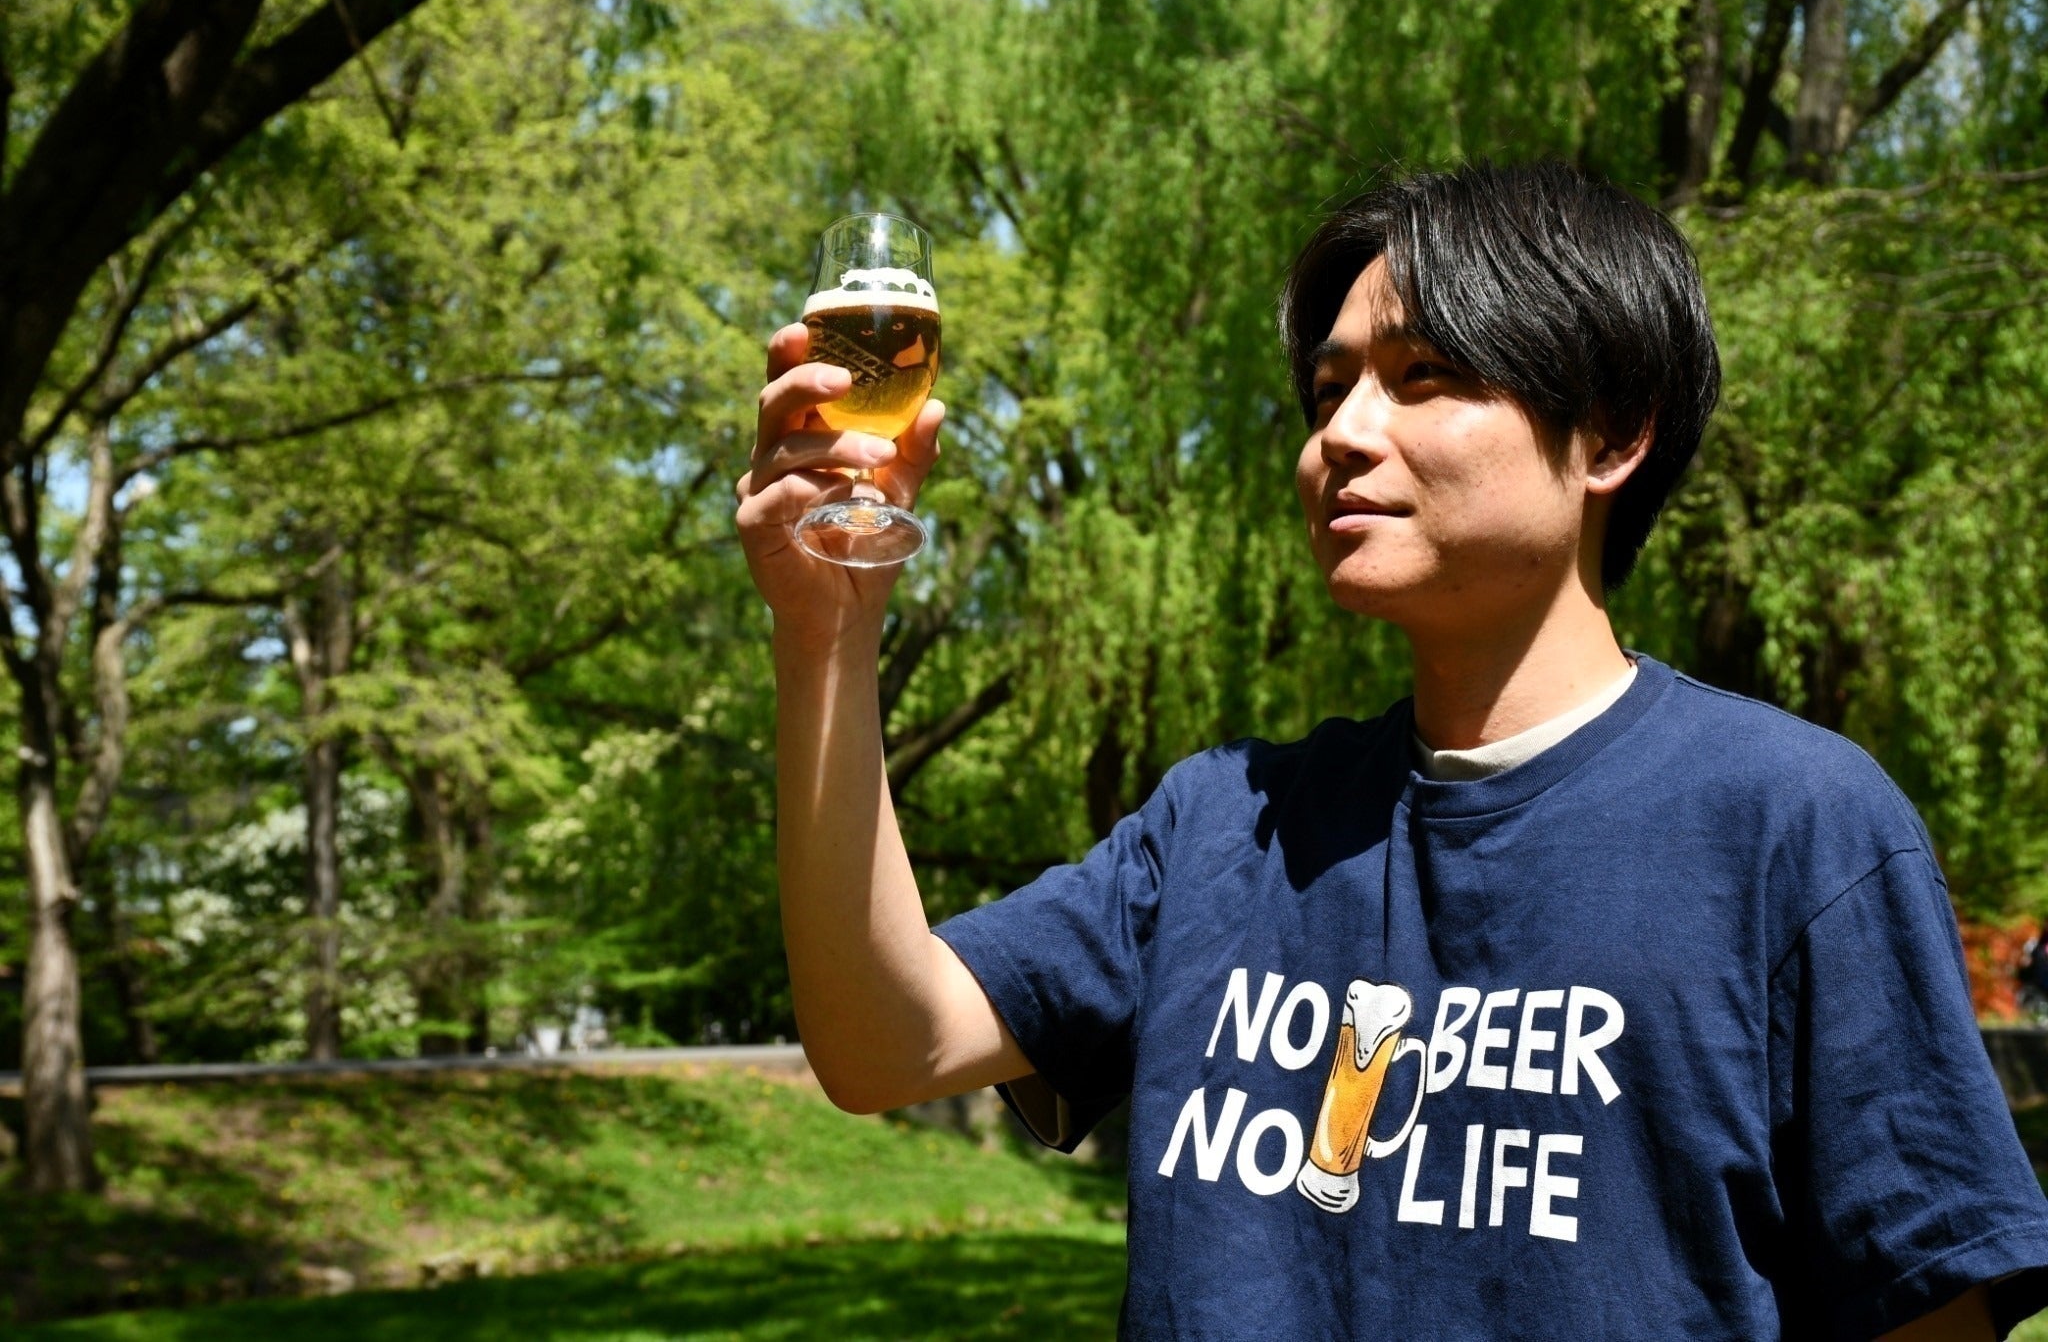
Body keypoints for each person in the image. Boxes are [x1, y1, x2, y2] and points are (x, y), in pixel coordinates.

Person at [733, 160, 2048, 1339]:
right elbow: (882, 1042)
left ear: (1611, 433)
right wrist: (825, 638)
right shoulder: (1224, 823)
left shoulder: (1796, 826)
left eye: (1421, 377)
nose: (1341, 437)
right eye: (1328, 391)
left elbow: (1928, 1311)